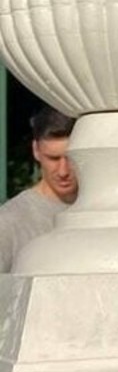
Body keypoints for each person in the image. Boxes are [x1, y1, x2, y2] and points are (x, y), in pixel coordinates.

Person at [0, 106, 78, 272]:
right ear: (36, 150)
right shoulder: (9, 222)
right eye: (53, 158)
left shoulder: (107, 212)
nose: (63, 171)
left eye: (71, 158)